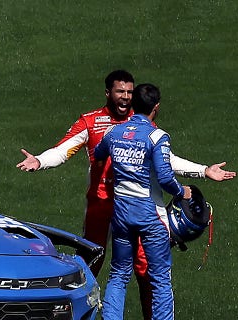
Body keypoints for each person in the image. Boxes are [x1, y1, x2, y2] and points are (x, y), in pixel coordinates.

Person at [15, 70, 236, 319]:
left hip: (129, 205)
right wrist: (40, 161)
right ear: (108, 93)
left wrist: (203, 170)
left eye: (130, 92)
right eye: (120, 92)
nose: (125, 97)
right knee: (91, 263)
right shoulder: (92, 121)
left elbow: (166, 160)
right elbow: (64, 149)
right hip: (101, 204)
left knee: (143, 269)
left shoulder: (139, 121)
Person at [94, 83, 189, 319]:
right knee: (159, 277)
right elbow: (166, 178)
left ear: (132, 104)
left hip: (121, 213)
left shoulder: (113, 132)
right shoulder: (158, 136)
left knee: (118, 274)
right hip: (150, 215)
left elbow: (98, 154)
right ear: (156, 108)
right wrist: (181, 192)